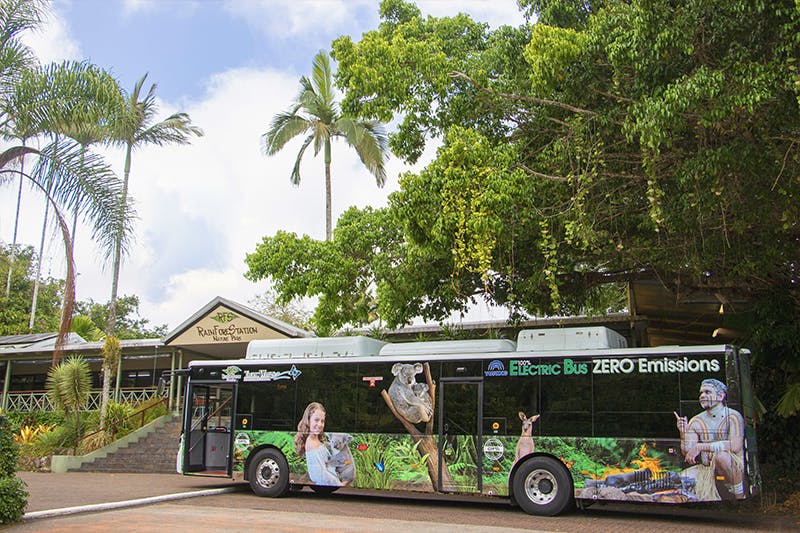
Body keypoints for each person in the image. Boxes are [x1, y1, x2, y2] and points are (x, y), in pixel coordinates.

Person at [675, 378, 745, 500]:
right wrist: (684, 434)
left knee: (721, 457)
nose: (702, 396)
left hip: (732, 466)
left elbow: (735, 446)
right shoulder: (696, 421)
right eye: (701, 393)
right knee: (680, 480)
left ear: (720, 396)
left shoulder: (733, 416)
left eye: (707, 392)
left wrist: (702, 446)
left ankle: (739, 495)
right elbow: (688, 452)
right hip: (706, 470)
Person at [294, 402, 342, 486]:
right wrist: (340, 483)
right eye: (316, 420)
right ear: (308, 421)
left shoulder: (317, 441)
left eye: (322, 421)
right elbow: (320, 474)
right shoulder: (312, 444)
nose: (320, 424)